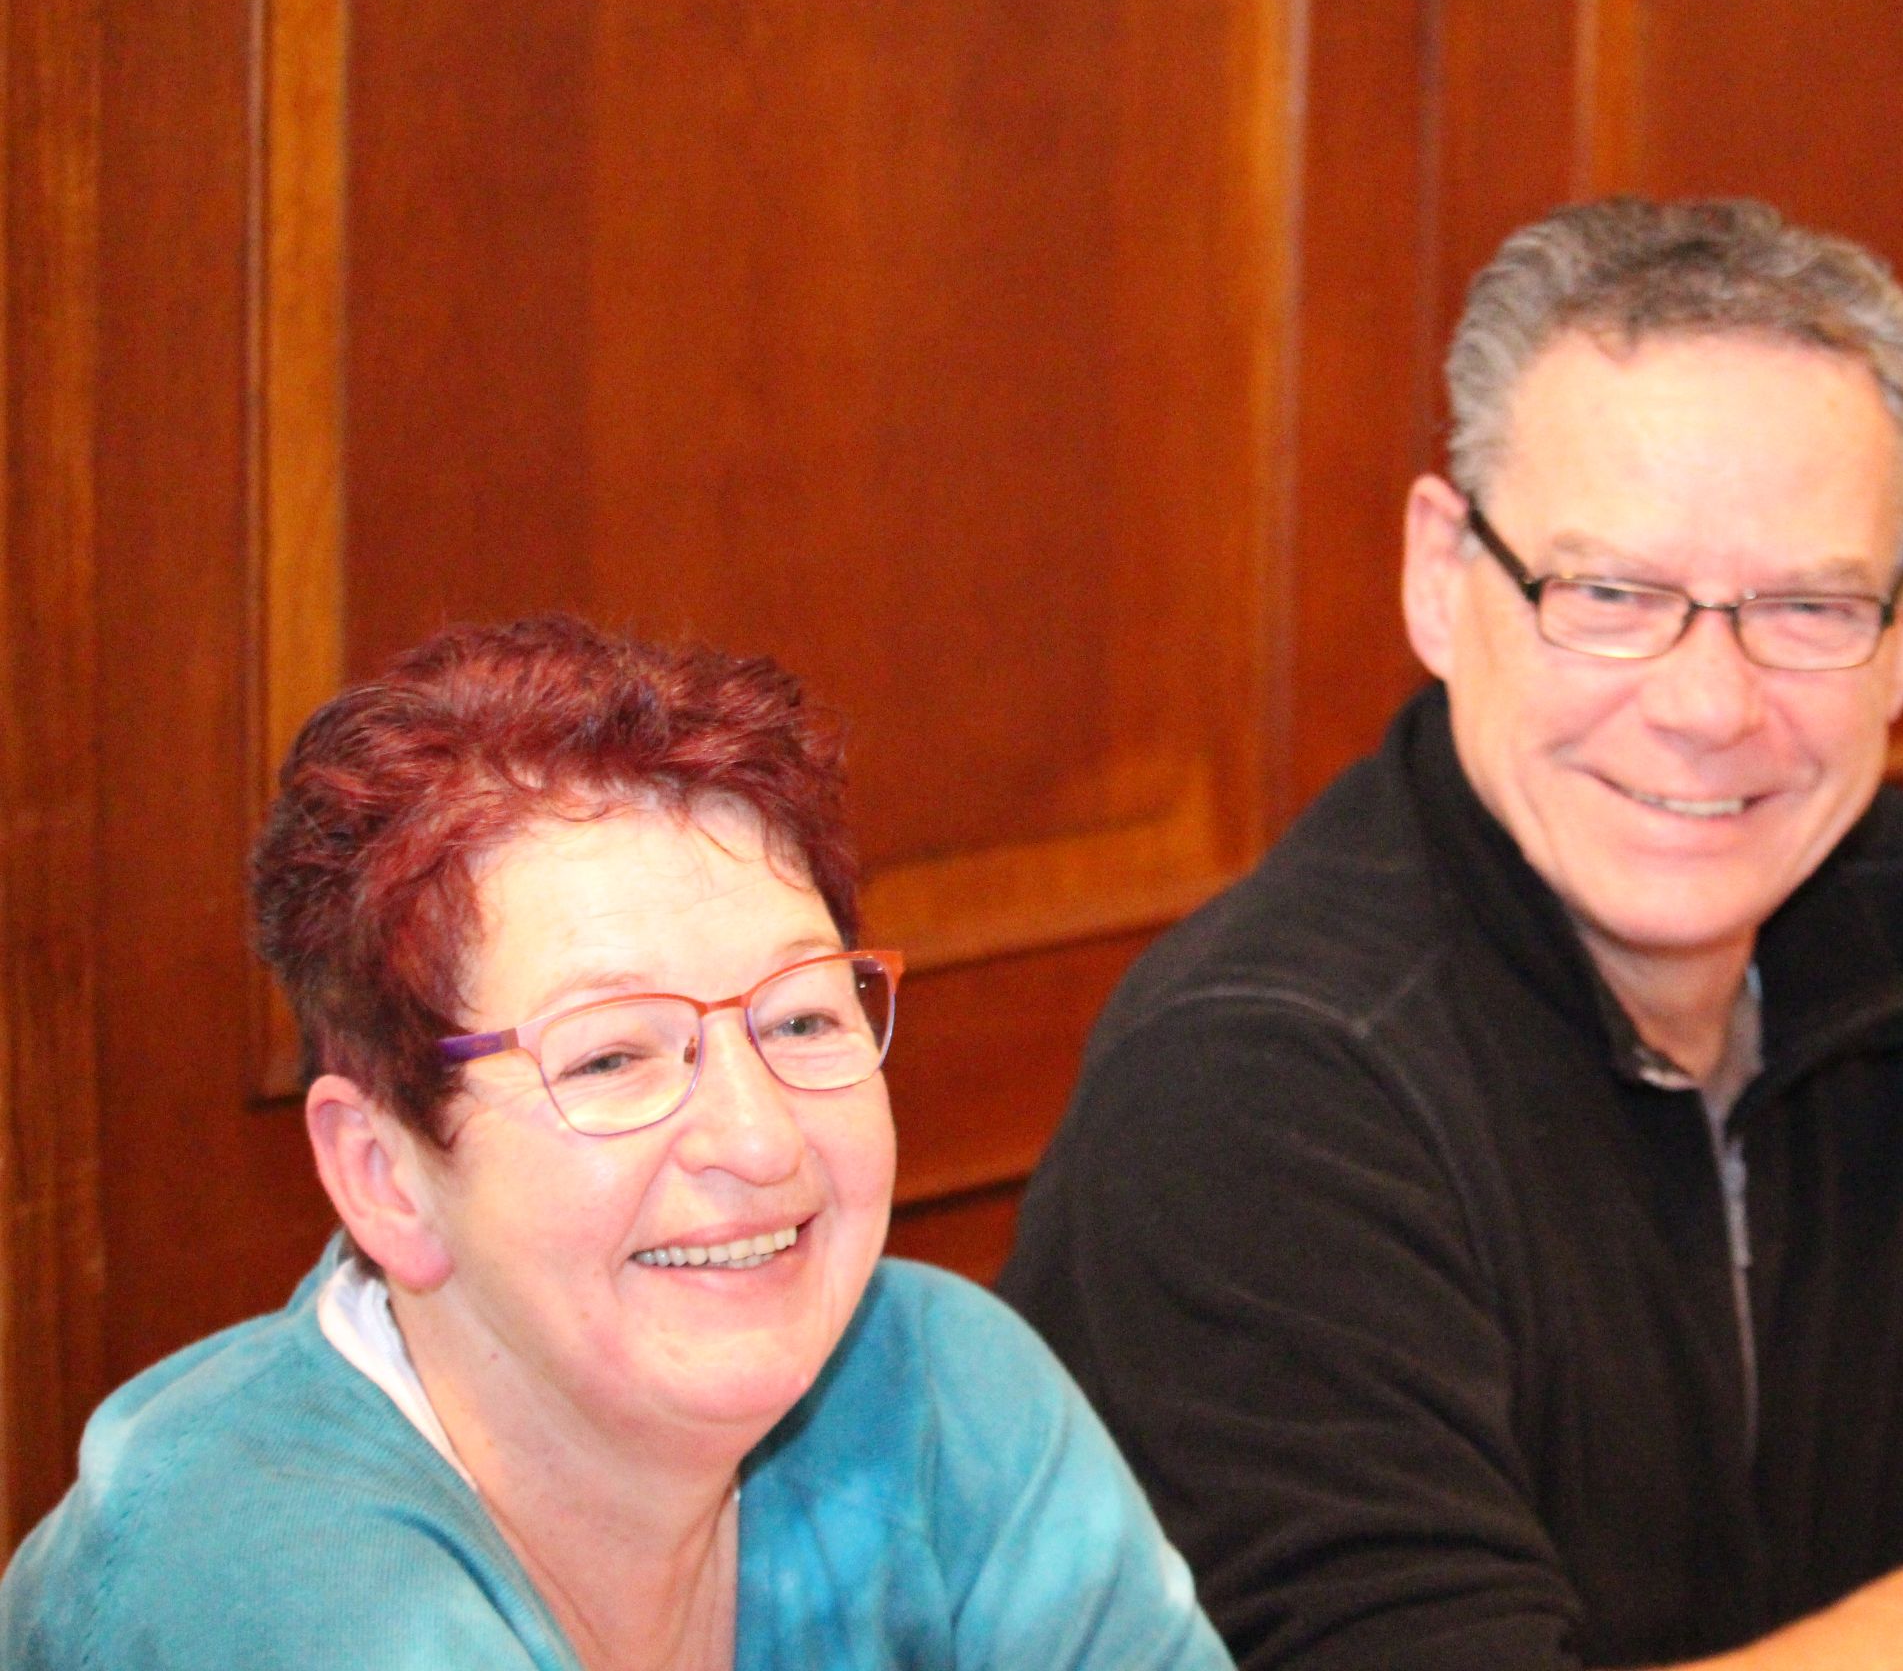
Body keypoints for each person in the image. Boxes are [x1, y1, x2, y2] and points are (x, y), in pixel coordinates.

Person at [999, 198, 1903, 1671]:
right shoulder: (1255, 1086)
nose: (1707, 705)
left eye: (1807, 606)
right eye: (1610, 594)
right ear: (1439, 575)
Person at [0, 615, 1229, 1670]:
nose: (758, 1140)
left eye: (803, 1019)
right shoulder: (251, 1572)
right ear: (384, 1177)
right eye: (611, 1058)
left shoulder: (941, 1389)